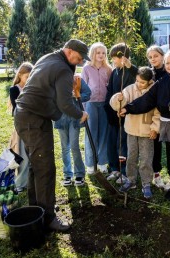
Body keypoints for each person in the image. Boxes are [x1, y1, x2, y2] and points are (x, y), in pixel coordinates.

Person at [14, 39, 90, 232]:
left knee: (36, 164)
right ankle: (48, 217)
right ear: (69, 51)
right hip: (34, 119)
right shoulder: (63, 69)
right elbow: (65, 104)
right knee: (45, 166)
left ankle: (37, 207)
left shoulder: (48, 58)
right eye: (79, 58)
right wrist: (80, 114)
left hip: (26, 115)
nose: (80, 62)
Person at [120, 50, 170, 203]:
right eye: (168, 63)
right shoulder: (162, 82)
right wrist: (128, 108)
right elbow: (147, 99)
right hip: (166, 123)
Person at [110, 67, 160, 198]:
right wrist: (118, 99)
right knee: (131, 156)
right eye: (137, 81)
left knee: (146, 159)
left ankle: (146, 183)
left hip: (147, 132)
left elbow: (158, 113)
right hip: (131, 130)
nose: (139, 84)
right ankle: (131, 180)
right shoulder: (129, 89)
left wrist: (155, 128)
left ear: (150, 81)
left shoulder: (154, 91)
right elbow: (118, 105)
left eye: (142, 82)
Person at [104, 43, 138, 182]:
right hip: (114, 114)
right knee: (112, 142)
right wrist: (110, 108)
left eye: (115, 58)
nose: (113, 61)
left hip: (126, 114)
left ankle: (125, 171)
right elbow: (110, 91)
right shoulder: (114, 72)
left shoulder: (130, 71)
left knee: (123, 144)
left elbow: (139, 76)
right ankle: (114, 169)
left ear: (123, 58)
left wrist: (129, 66)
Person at [54, 75, 91, 187]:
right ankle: (67, 174)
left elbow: (88, 94)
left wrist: (76, 95)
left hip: (75, 118)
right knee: (65, 147)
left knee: (74, 146)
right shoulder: (56, 80)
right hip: (61, 118)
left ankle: (79, 174)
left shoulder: (77, 79)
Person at [81, 42, 112, 174]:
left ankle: (102, 162)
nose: (101, 55)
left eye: (103, 53)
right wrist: (83, 108)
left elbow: (110, 87)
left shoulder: (108, 69)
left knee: (104, 133)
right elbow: (82, 88)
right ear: (93, 54)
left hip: (104, 104)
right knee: (91, 134)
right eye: (98, 52)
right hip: (91, 104)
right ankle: (90, 163)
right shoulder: (86, 69)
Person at [8, 62, 33, 192]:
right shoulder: (14, 90)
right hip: (21, 127)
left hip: (33, 126)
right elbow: (16, 111)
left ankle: (30, 182)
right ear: (20, 75)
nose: (29, 79)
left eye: (31, 76)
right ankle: (20, 184)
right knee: (22, 156)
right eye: (27, 76)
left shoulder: (34, 88)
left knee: (32, 156)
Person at [146, 45, 167, 189]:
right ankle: (153, 173)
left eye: (156, 56)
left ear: (162, 56)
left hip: (165, 113)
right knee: (151, 144)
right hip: (150, 113)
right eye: (150, 57)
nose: (153, 59)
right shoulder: (149, 73)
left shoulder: (168, 71)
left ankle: (160, 174)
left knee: (160, 144)